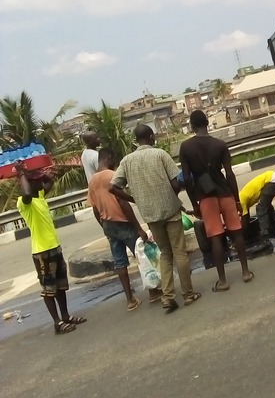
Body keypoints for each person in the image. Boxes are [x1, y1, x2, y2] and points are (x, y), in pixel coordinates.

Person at [109, 124, 201, 314]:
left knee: (165, 254)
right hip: (170, 211)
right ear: (150, 137)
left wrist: (134, 199)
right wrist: (172, 194)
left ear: (136, 139)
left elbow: (113, 187)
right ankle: (188, 294)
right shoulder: (160, 155)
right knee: (180, 253)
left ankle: (167, 297)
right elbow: (176, 182)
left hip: (150, 214)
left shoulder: (126, 161)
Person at [179, 110, 254, 291]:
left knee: (215, 237)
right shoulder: (220, 144)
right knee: (236, 232)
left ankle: (223, 281)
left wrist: (194, 203)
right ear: (207, 123)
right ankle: (245, 272)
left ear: (192, 126)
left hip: (205, 197)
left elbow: (187, 179)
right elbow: (229, 173)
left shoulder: (186, 147)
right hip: (225, 193)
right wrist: (236, 199)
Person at [16, 162, 87, 334]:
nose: (41, 183)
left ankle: (65, 316)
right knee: (49, 290)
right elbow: (25, 192)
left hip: (55, 248)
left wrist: (40, 171)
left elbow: (50, 182)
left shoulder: (39, 197)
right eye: (37, 181)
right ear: (29, 183)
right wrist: (21, 173)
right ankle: (57, 322)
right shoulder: (25, 203)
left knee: (61, 286)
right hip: (42, 252)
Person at [87, 148, 162, 311]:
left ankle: (130, 299)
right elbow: (123, 203)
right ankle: (154, 291)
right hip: (123, 222)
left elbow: (94, 208)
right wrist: (138, 228)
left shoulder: (92, 181)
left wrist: (104, 226)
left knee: (120, 262)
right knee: (141, 254)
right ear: (109, 157)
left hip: (108, 224)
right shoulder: (112, 176)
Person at [239, 171, 275, 252]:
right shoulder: (240, 199)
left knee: (261, 209)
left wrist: (239, 239)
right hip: (273, 177)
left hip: (271, 180)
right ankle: (274, 232)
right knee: (267, 207)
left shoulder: (241, 201)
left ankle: (266, 238)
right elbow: (246, 216)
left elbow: (245, 222)